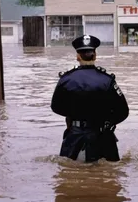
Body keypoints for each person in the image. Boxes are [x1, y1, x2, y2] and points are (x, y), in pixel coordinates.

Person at [51, 34, 129, 163]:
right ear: (95, 55)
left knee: (68, 176)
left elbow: (56, 107)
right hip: (102, 135)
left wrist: (73, 113)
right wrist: (108, 122)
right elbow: (123, 111)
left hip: (74, 137)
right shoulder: (107, 80)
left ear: (77, 56)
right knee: (109, 176)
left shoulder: (65, 80)